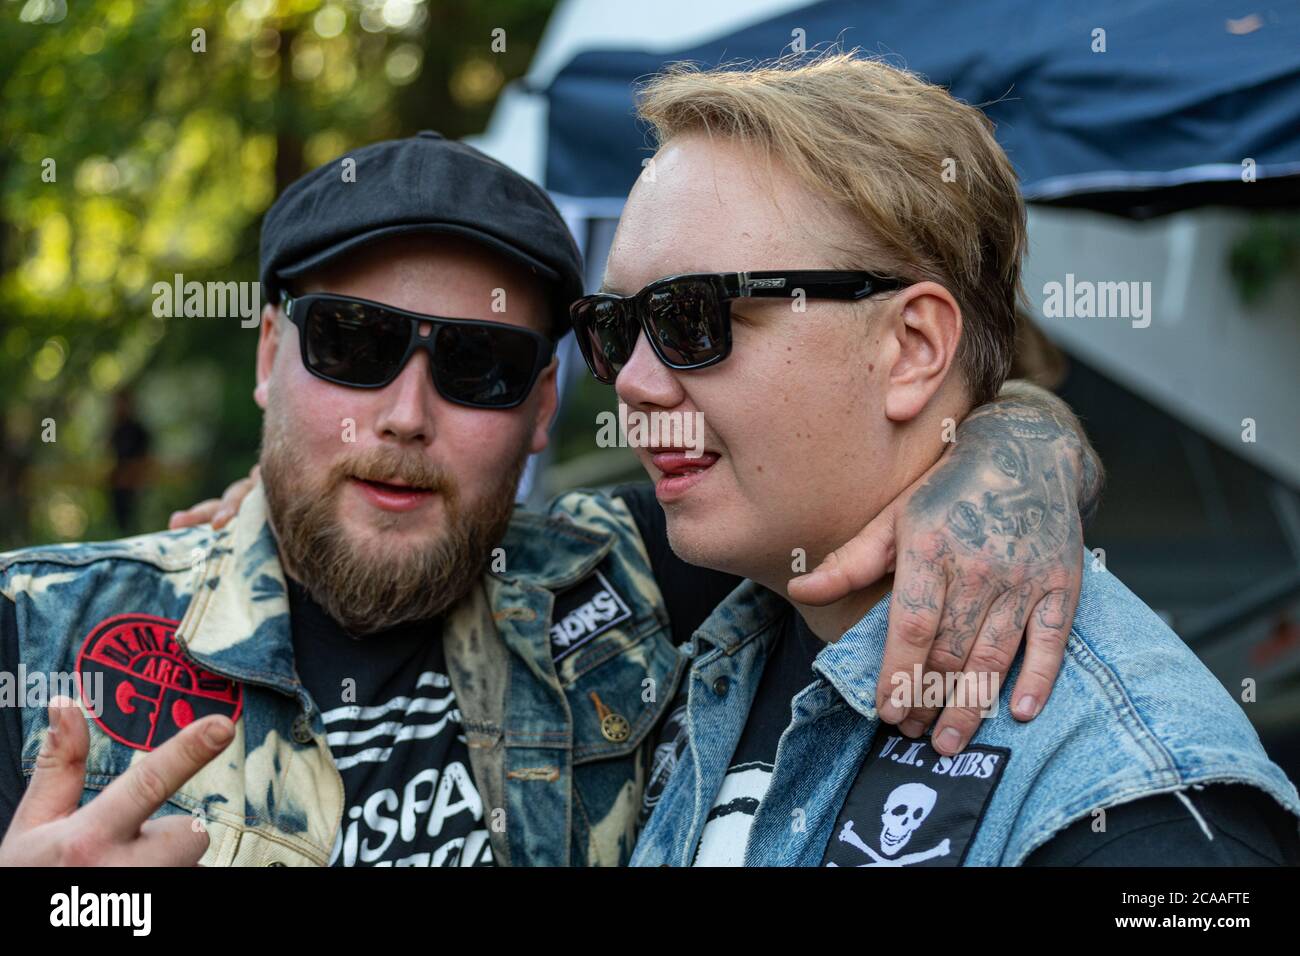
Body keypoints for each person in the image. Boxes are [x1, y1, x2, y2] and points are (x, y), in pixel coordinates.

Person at [0, 130, 1097, 867]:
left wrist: (1013, 452)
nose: (404, 413)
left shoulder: (629, 577)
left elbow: (910, 421)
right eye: (353, 345)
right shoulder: (38, 629)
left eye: (475, 366)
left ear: (538, 409)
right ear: (269, 353)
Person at [564, 54, 1300, 866]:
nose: (631, 383)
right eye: (614, 325)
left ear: (912, 348)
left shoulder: (1138, 808)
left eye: (691, 318)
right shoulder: (700, 625)